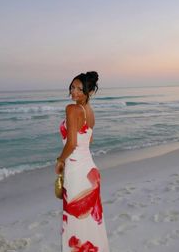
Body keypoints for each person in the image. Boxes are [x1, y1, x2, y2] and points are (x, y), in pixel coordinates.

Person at [55, 71, 109, 252]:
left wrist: (60, 160)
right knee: (90, 224)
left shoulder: (72, 109)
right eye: (73, 87)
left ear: (90, 92)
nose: (74, 92)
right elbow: (88, 140)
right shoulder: (90, 112)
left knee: (75, 220)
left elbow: (72, 143)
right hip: (89, 169)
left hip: (77, 171)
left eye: (80, 89)